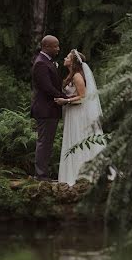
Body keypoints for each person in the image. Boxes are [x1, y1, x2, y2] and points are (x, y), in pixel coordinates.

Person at [56, 49, 106, 185]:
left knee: (79, 140)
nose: (65, 58)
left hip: (78, 113)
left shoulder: (77, 76)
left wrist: (65, 101)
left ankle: (81, 174)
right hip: (72, 112)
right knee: (74, 141)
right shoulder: (72, 75)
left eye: (67, 57)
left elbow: (83, 98)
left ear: (73, 61)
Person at [30, 35, 66, 181]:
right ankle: (41, 175)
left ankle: (44, 173)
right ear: (46, 47)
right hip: (45, 109)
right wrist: (64, 98)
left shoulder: (47, 62)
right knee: (44, 142)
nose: (58, 49)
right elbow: (47, 87)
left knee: (47, 142)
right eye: (55, 46)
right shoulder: (41, 63)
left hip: (51, 109)